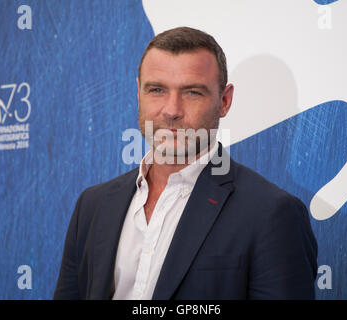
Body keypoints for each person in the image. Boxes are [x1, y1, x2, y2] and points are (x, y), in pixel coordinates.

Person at [53, 26, 318, 300]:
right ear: (138, 93)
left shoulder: (271, 213)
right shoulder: (92, 206)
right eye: (156, 90)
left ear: (224, 101)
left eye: (192, 92)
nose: (171, 110)